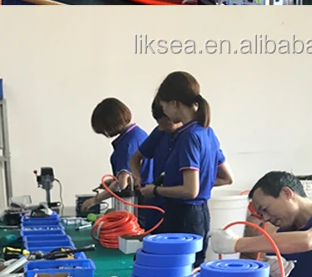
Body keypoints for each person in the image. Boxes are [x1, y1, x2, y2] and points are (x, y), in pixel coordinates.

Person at [139, 71, 233, 267]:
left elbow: (190, 191)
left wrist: (156, 190)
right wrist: (203, 183)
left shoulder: (188, 137)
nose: (164, 111)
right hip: (200, 215)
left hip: (184, 216)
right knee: (192, 269)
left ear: (174, 103)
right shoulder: (207, 132)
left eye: (164, 105)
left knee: (177, 271)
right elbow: (226, 178)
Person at [81, 98, 149, 212]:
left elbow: (123, 184)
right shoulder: (139, 134)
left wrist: (95, 200)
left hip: (138, 205)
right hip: (147, 200)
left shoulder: (127, 144)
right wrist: (113, 182)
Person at [129, 96, 181, 233]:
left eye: (166, 124)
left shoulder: (190, 138)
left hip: (181, 210)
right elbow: (135, 158)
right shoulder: (159, 133)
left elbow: (226, 178)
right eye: (159, 124)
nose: (162, 128)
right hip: (156, 206)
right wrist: (136, 176)